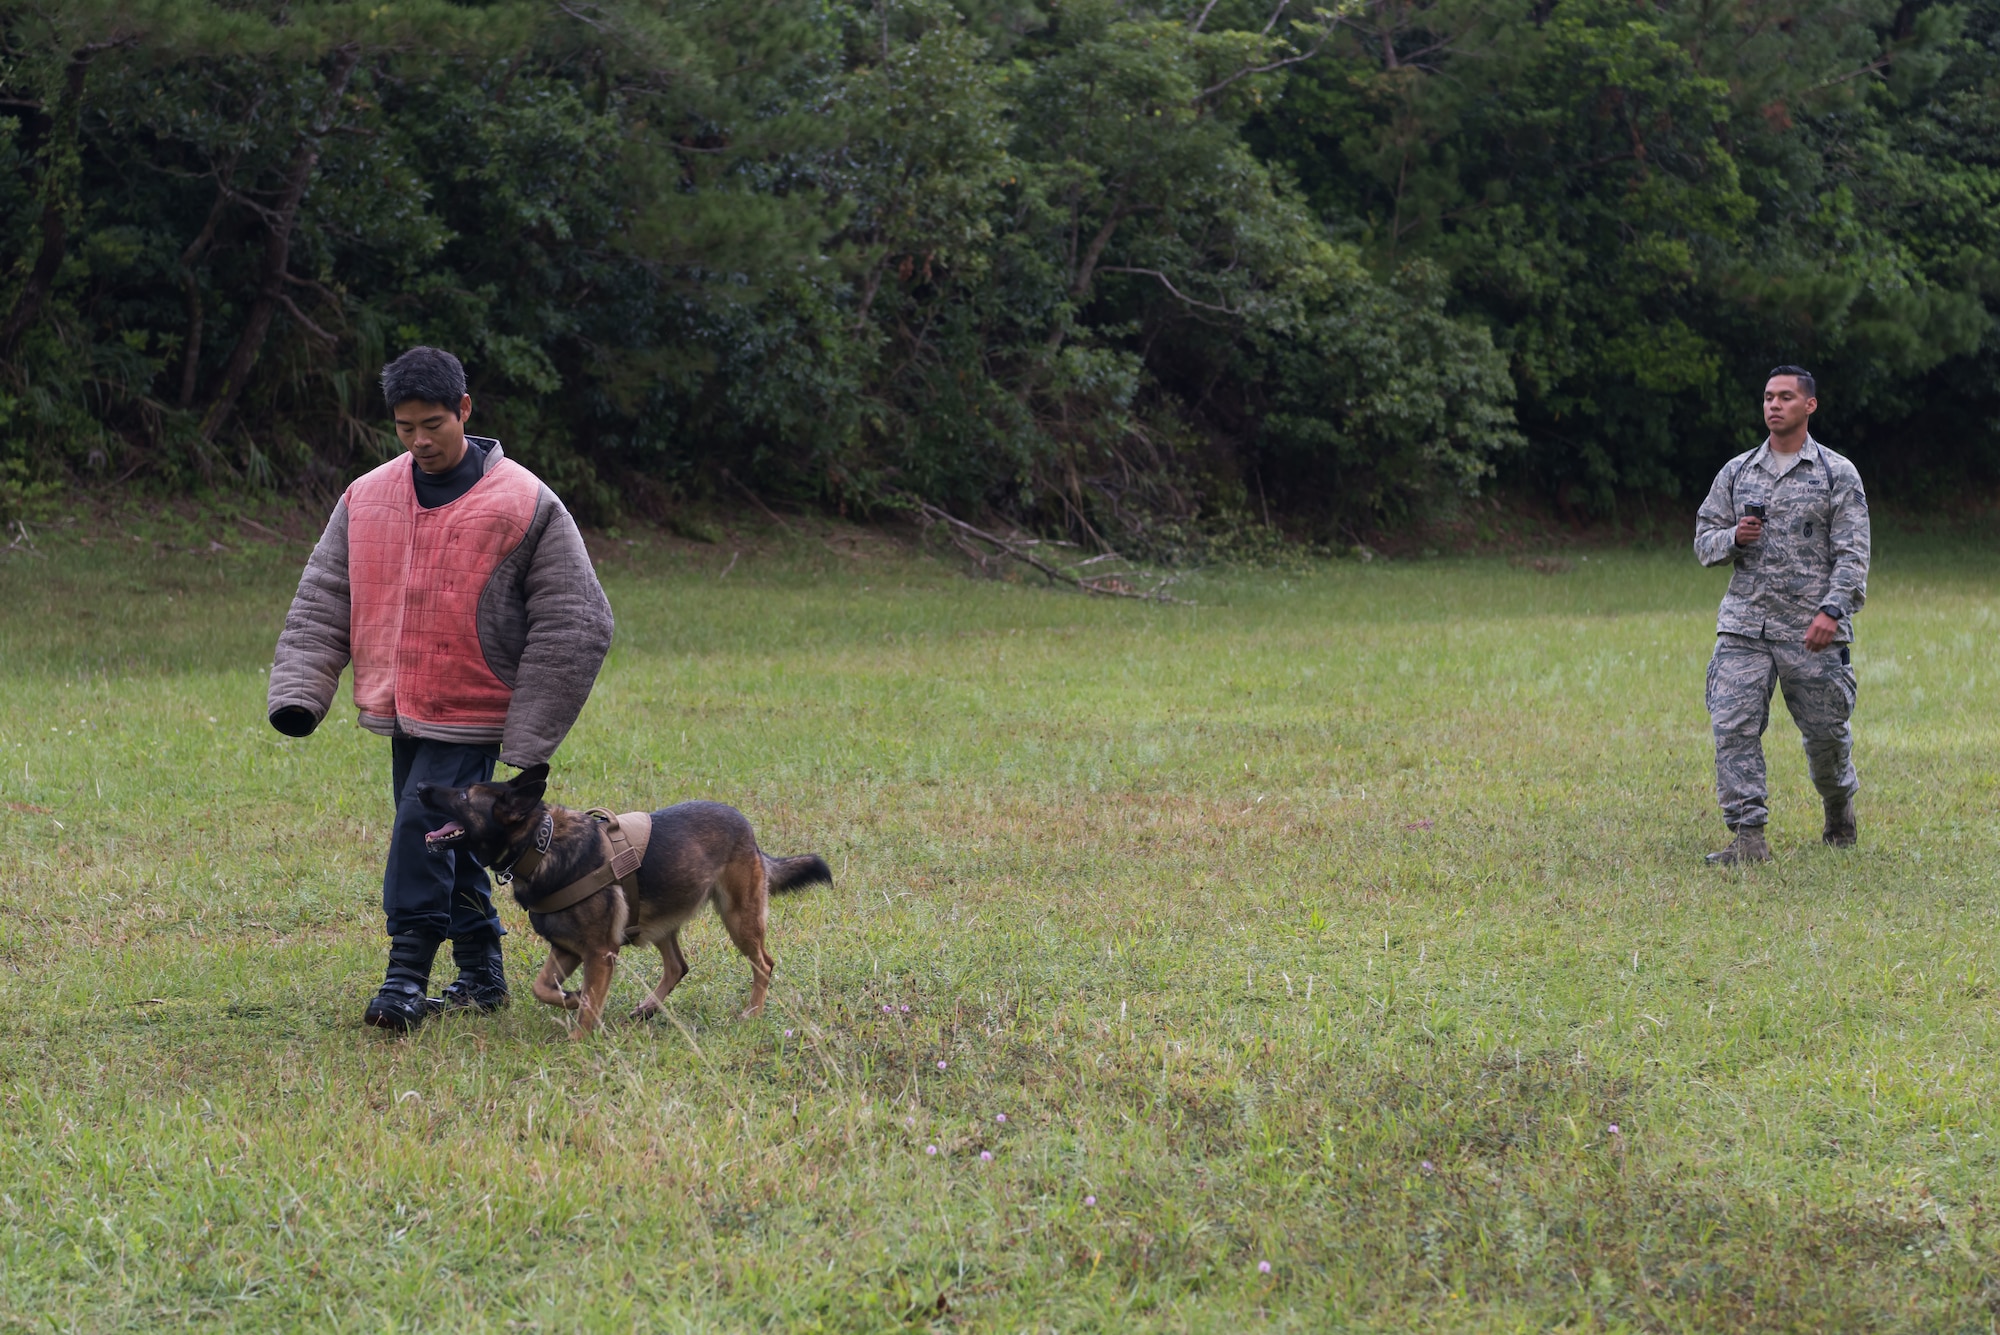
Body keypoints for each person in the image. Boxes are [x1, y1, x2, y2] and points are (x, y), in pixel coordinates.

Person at [266, 347, 614, 1029]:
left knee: (420, 834)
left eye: (433, 424)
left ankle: (405, 977)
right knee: (451, 839)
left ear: (464, 410)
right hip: (402, 710)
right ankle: (482, 973)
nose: (420, 441)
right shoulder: (366, 497)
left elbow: (577, 618)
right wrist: (301, 691)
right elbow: (325, 595)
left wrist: (529, 738)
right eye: (405, 428)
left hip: (474, 711)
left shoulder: (524, 501)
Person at [1693, 365, 1870, 865]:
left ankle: (1838, 808)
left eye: (1786, 397)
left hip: (1812, 629)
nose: (1774, 404)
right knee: (1732, 726)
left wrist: (1832, 610)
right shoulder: (1738, 471)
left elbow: (1853, 554)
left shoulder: (1837, 473)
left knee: (1826, 736)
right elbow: (1704, 541)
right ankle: (1748, 837)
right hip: (1744, 625)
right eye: (1769, 396)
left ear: (1809, 405)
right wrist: (1733, 537)